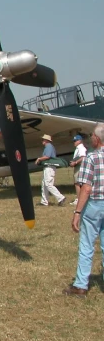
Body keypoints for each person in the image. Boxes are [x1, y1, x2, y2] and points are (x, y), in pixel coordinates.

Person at [64, 123, 104, 297]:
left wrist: (77, 212)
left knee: (87, 245)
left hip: (95, 204)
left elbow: (86, 188)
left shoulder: (91, 158)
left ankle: (81, 285)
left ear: (96, 138)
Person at [35, 134, 66, 206]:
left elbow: (47, 156)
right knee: (44, 185)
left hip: (49, 167)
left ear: (46, 141)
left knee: (48, 184)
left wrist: (39, 159)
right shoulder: (48, 147)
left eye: (43, 139)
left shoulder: (48, 146)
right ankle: (44, 201)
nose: (42, 141)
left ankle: (61, 198)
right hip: (48, 167)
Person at [69, 134, 88, 207]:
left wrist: (75, 162)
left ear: (80, 141)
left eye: (75, 140)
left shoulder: (81, 148)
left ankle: (79, 199)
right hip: (78, 166)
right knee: (78, 183)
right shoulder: (78, 148)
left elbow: (83, 157)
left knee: (77, 183)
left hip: (79, 167)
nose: (74, 142)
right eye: (74, 141)